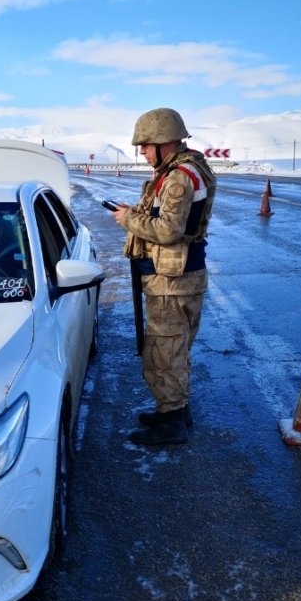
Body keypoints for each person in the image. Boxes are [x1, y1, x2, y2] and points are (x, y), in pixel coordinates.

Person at [110, 108, 216, 446]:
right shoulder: (184, 170)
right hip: (179, 278)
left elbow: (168, 230)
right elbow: (169, 219)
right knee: (174, 349)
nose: (142, 153)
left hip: (174, 282)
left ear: (163, 142)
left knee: (165, 352)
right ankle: (175, 410)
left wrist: (128, 220)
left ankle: (171, 423)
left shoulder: (178, 177)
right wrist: (137, 213)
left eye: (145, 146)